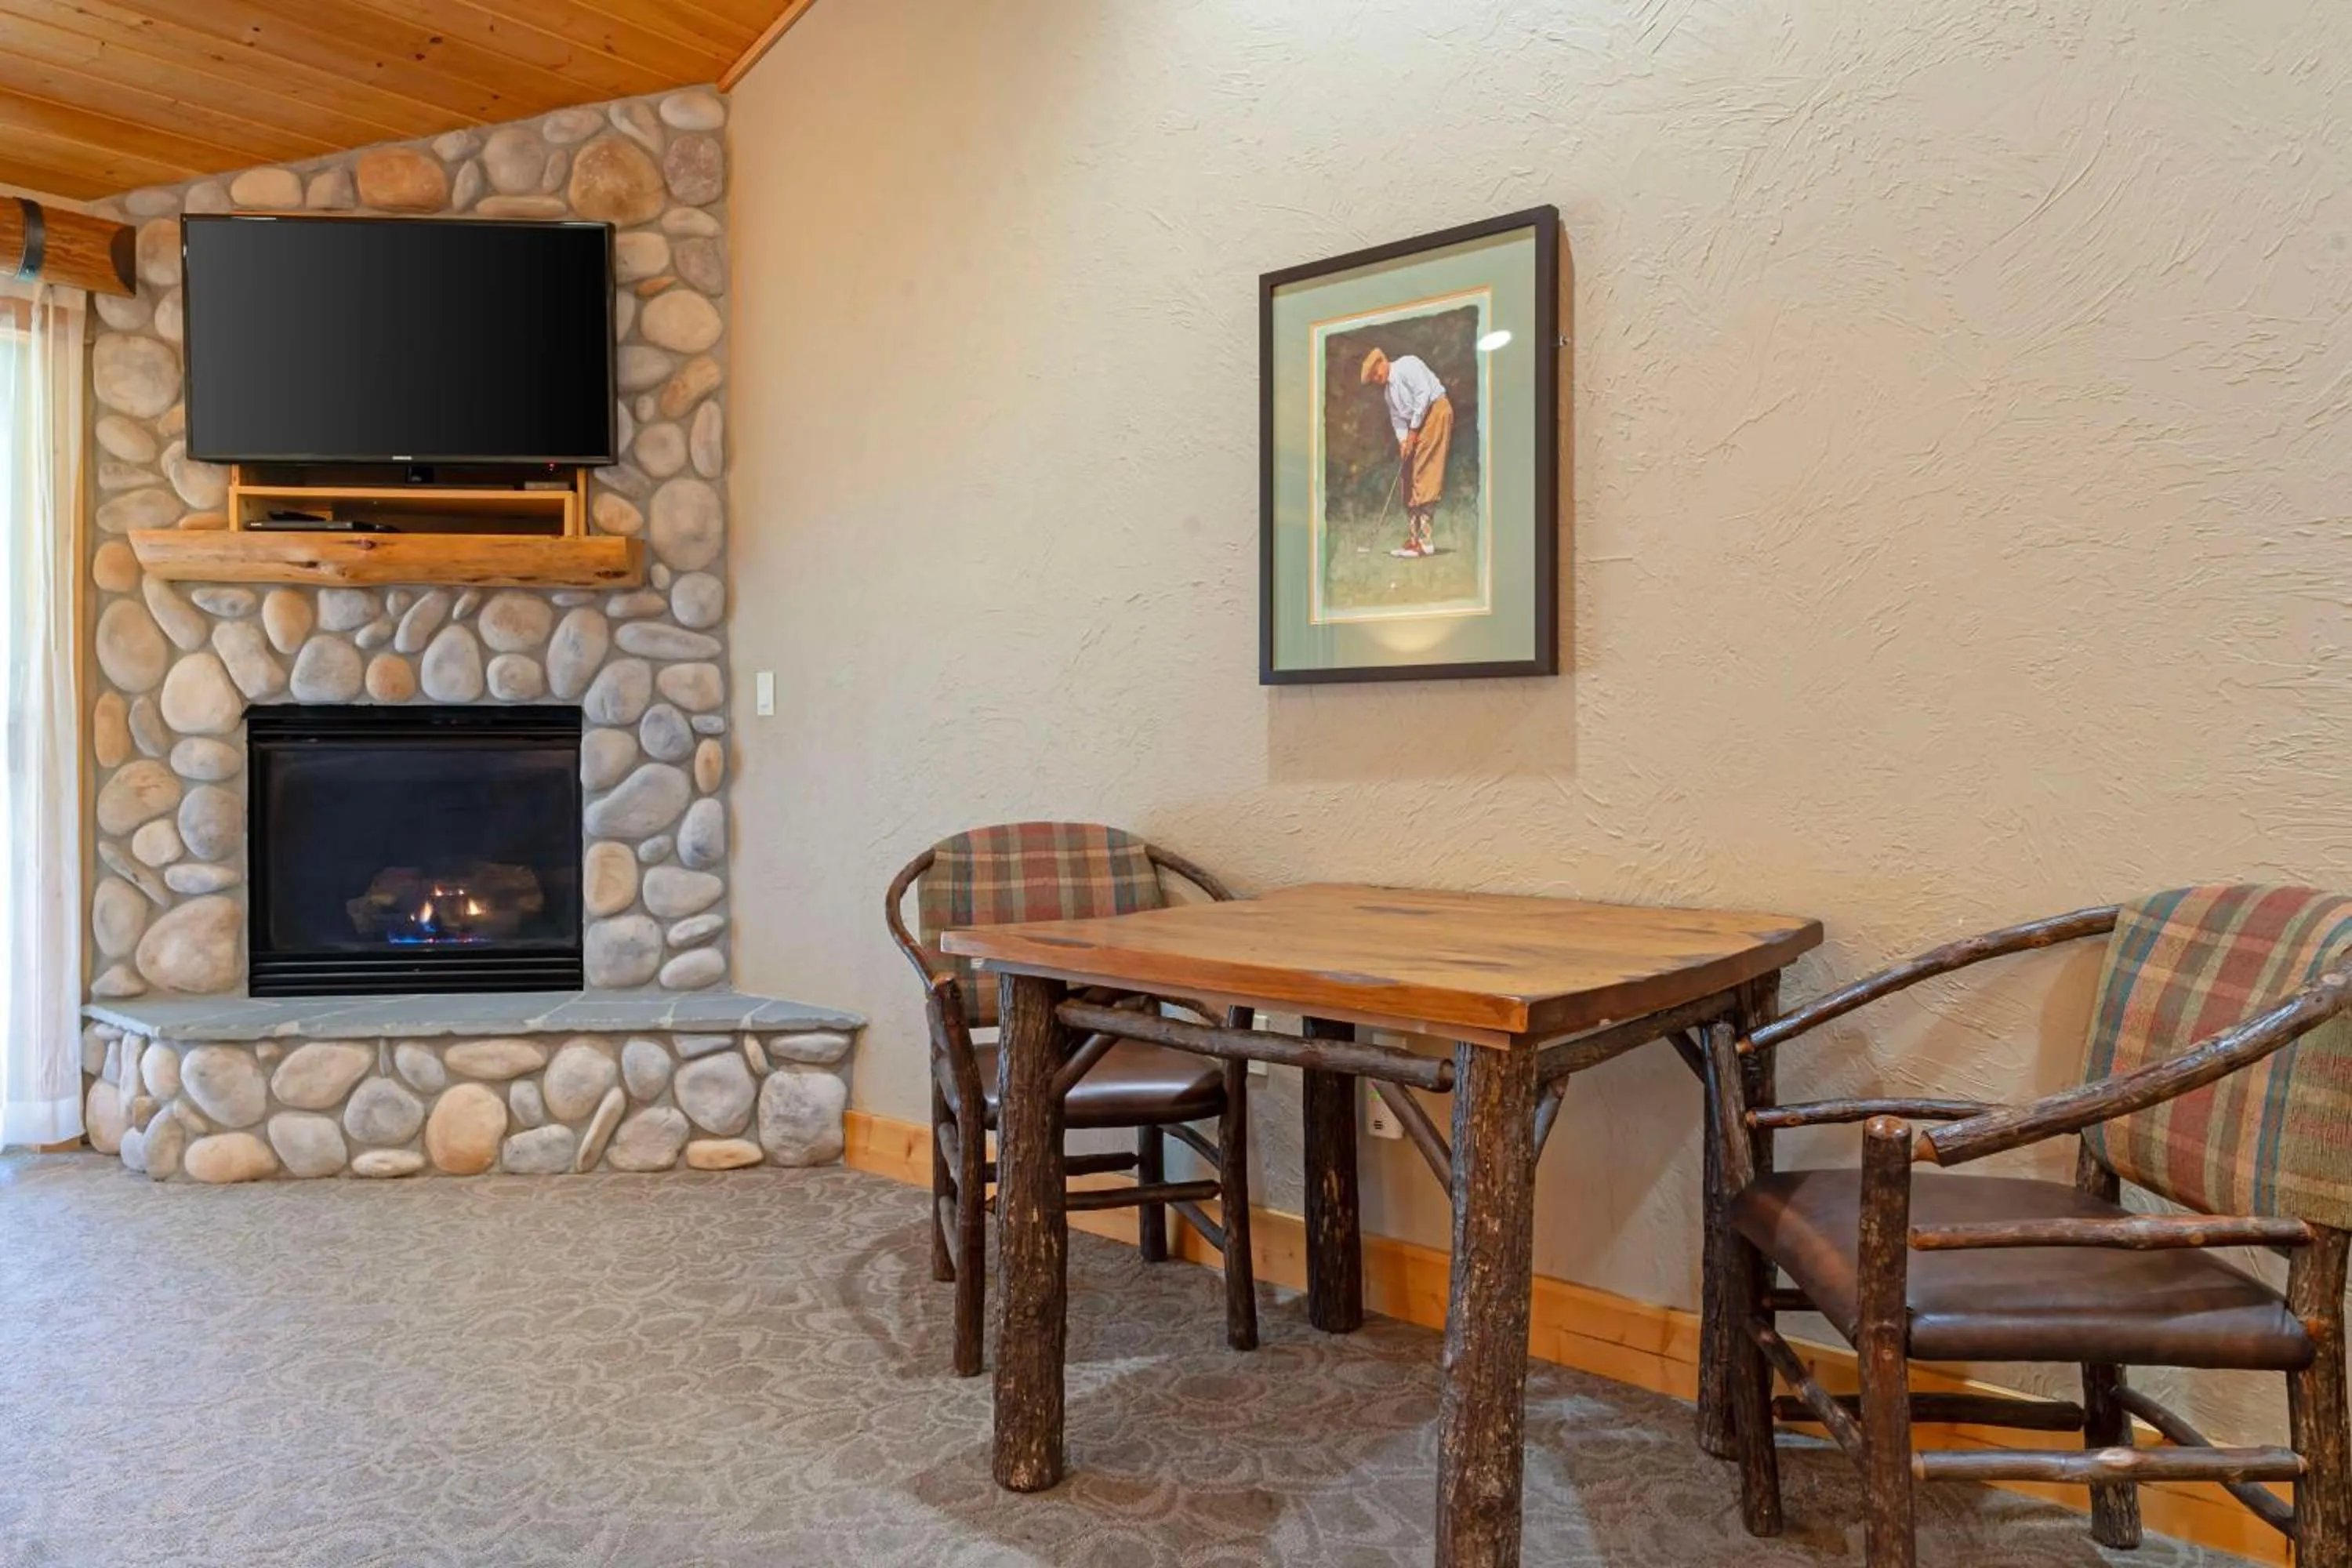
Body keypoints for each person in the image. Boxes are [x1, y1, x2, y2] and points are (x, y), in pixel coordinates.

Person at [1359, 347, 1454, 557]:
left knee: (1424, 472)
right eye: (1372, 378)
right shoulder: (1389, 393)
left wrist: (1413, 431)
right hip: (1417, 424)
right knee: (1408, 475)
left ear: (1383, 361)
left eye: (1376, 373)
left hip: (1436, 411)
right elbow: (1397, 419)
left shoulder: (1408, 365)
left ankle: (1425, 541)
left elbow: (1423, 395)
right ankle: (1413, 539)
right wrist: (1403, 441)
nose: (1376, 378)